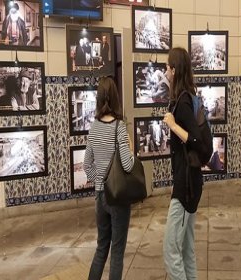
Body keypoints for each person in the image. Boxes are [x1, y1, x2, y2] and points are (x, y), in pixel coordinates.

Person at [84, 77, 135, 280]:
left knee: (101, 247)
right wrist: (131, 150)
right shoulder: (119, 127)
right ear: (115, 97)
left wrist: (100, 183)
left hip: (99, 198)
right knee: (117, 251)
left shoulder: (94, 127)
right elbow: (128, 165)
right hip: (118, 198)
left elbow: (87, 165)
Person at [162, 47, 204, 280]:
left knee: (170, 250)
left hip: (186, 185)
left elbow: (196, 140)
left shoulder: (184, 102)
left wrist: (173, 125)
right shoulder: (186, 97)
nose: (165, 71)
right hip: (190, 180)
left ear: (175, 70)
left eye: (168, 67)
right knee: (187, 250)